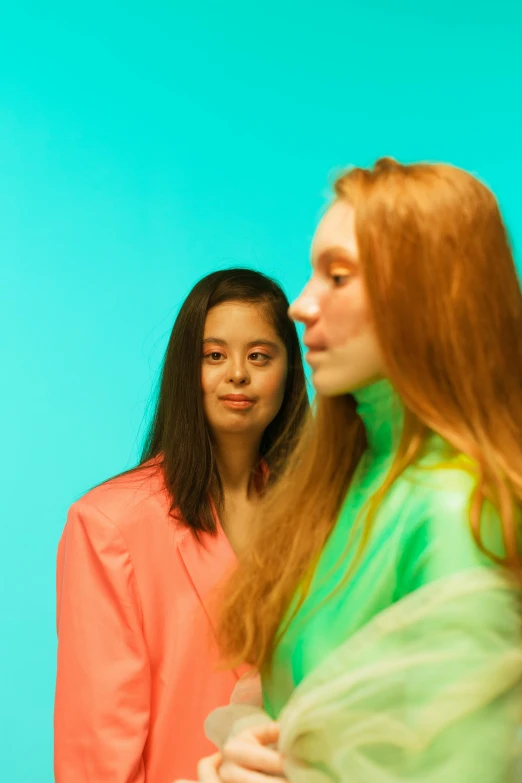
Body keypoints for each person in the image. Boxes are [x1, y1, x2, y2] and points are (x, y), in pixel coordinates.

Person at [191, 159, 522, 782]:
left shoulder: (457, 511)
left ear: (428, 295)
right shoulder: (338, 489)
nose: (300, 305)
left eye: (338, 276)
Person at [54, 268, 308, 783]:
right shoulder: (109, 525)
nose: (237, 373)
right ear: (183, 371)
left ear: (290, 371)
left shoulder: (317, 515)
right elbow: (99, 749)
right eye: (214, 355)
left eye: (259, 356)